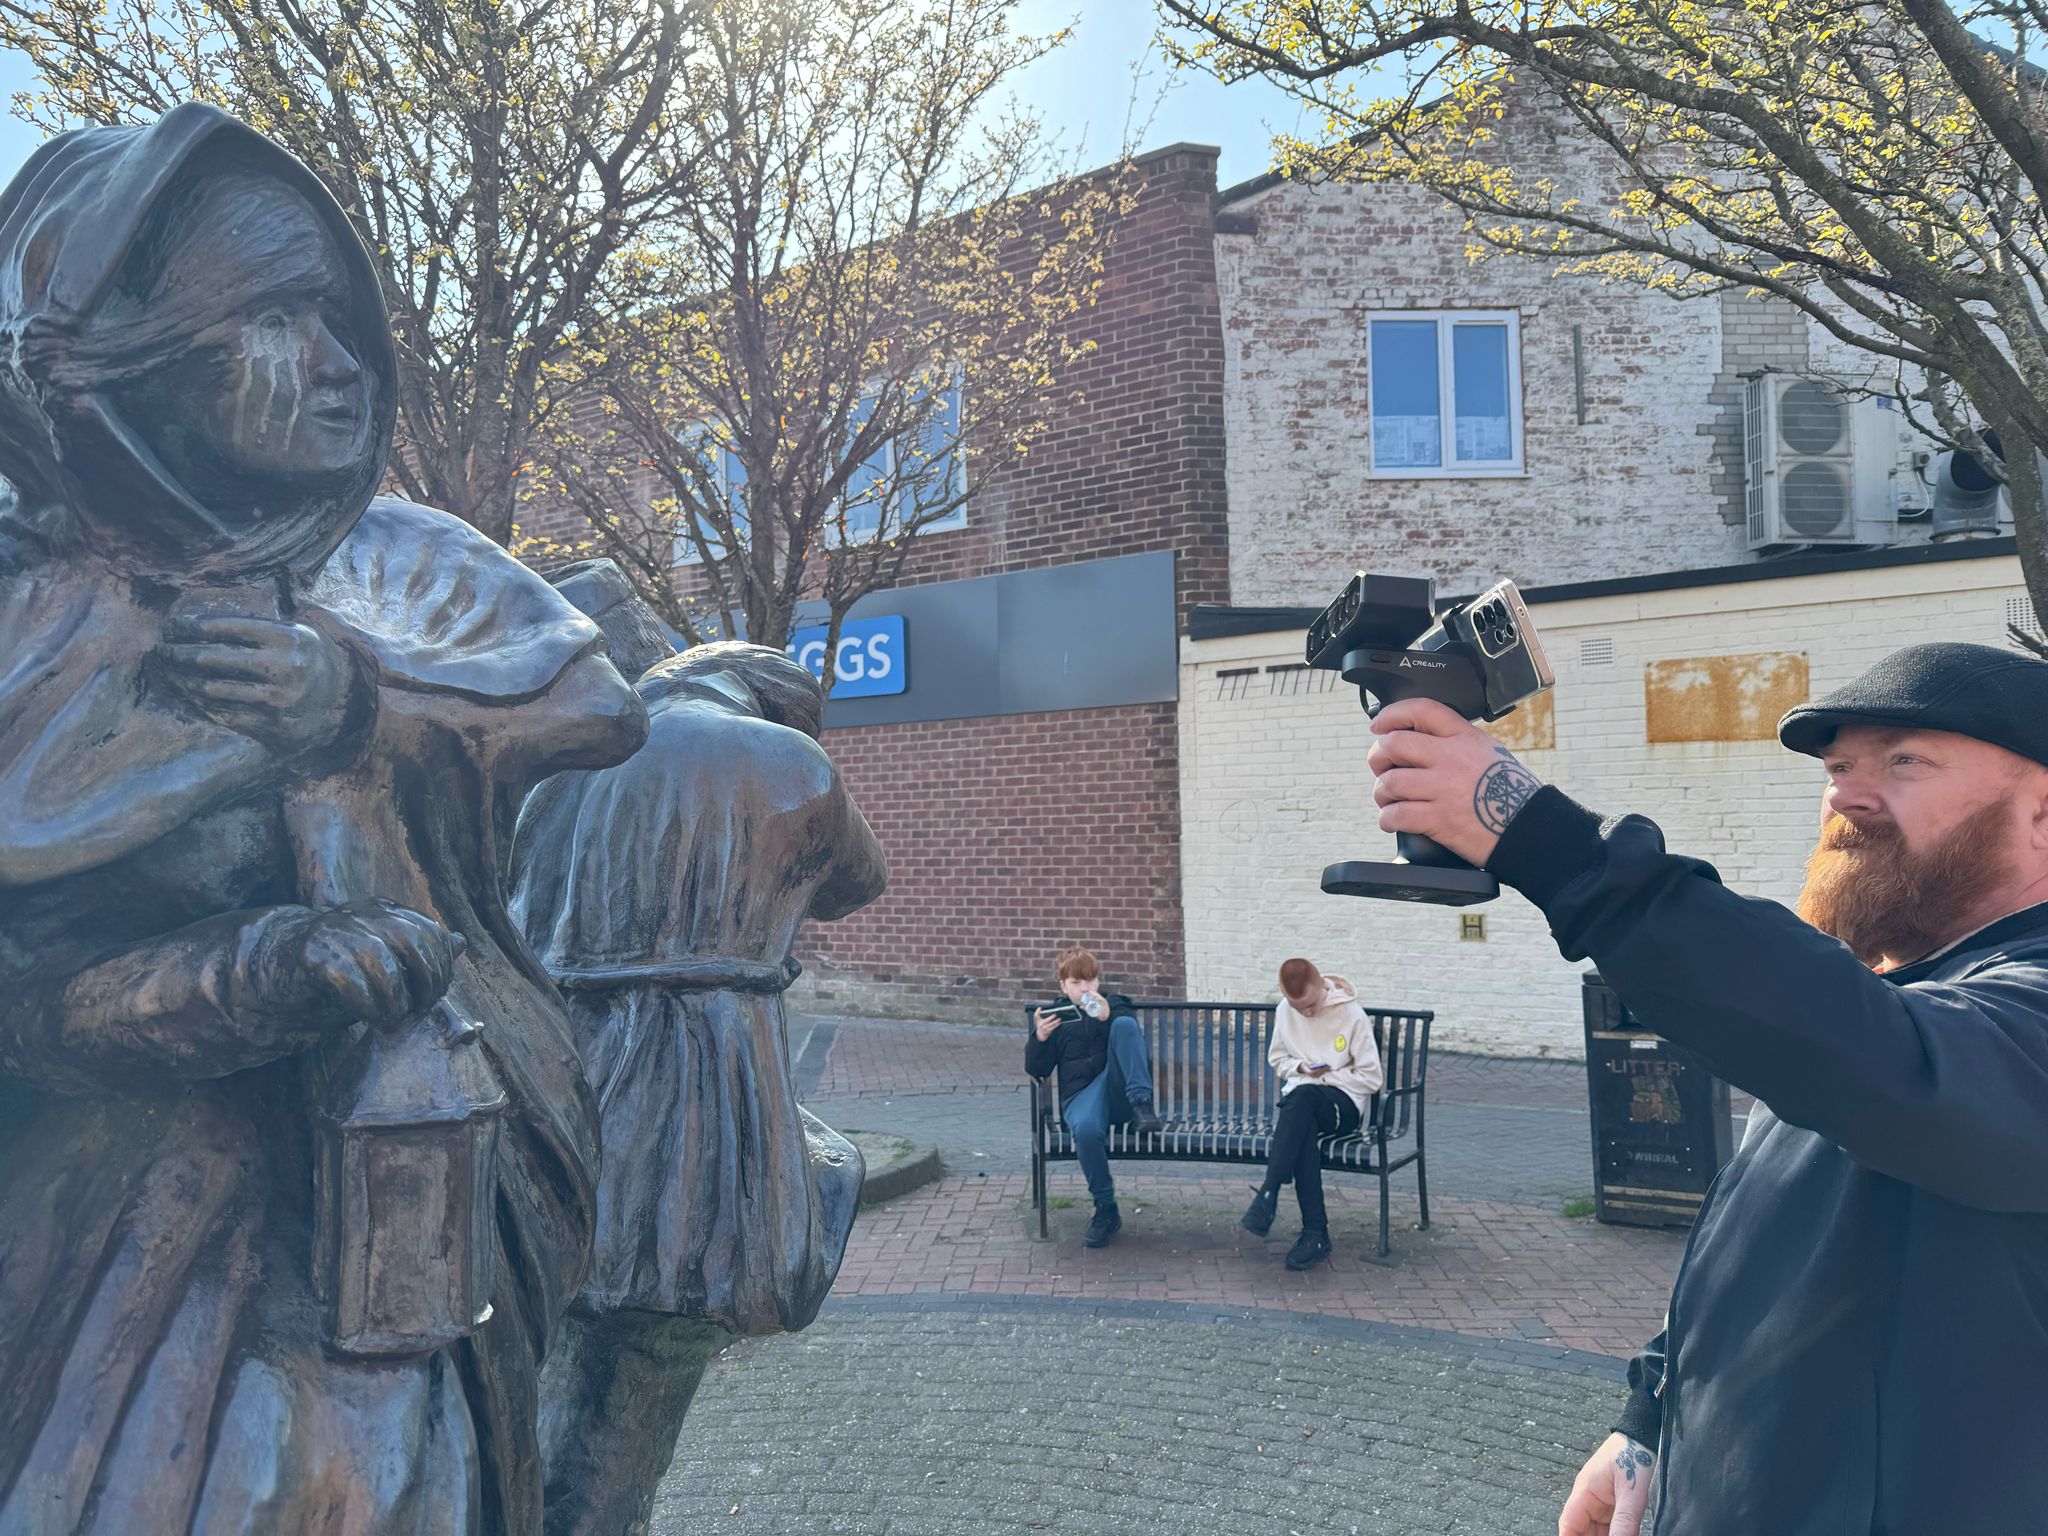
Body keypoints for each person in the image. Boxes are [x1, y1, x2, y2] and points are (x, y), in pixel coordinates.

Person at [0, 106, 647, 1533]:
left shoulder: (393, 557)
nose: (349, 365)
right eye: (283, 321)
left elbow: (590, 705)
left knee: (366, 1475)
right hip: (112, 1215)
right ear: (123, 359)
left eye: (348, 317)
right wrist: (234, 978)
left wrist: (357, 710)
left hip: (398, 1159)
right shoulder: (29, 605)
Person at [1363, 642, 2048, 1536]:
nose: (1846, 794)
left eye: (1904, 760)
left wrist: (1548, 845)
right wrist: (1648, 1420)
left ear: (2041, 814)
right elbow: (1767, 1245)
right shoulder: (1878, 1007)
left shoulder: (1965, 1020)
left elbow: (1893, 1066)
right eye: (1838, 767)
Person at [509, 615, 889, 1536]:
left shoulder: (561, 761)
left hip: (553, 1073)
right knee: (647, 1356)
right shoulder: (787, 762)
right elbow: (859, 882)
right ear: (777, 707)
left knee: (549, 1348)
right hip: (697, 1087)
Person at [1240, 957, 1384, 1270]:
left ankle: (1270, 1190)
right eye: (1297, 1007)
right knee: (1301, 1125)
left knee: (1300, 1100)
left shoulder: (1351, 1014)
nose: (1305, 1012)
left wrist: (1324, 1074)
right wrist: (1301, 1067)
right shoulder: (1284, 1010)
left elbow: (1372, 1078)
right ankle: (1314, 1234)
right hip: (1302, 1104)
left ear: (1322, 987)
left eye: (1310, 1004)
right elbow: (1279, 1059)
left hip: (1344, 1102)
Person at [1025, 946, 1163, 1248]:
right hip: (1081, 1097)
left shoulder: (1115, 1006)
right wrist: (1040, 1038)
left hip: (1118, 1094)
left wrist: (1107, 1016)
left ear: (1098, 982)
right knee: (1086, 1131)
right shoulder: (1056, 1018)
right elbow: (1037, 1070)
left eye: (1089, 981)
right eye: (1076, 982)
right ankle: (1105, 1209)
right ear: (1064, 985)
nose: (1084, 988)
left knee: (1125, 1025)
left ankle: (1143, 1105)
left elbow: (1130, 1038)